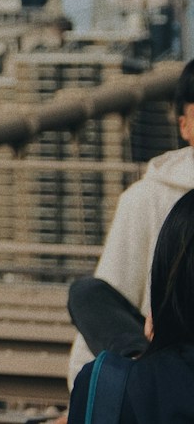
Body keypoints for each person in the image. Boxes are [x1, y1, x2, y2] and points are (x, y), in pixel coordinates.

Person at [68, 60, 194, 384]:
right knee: (87, 294)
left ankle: (139, 379)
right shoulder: (146, 199)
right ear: (184, 126)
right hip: (166, 366)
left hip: (164, 373)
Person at [67, 188, 194, 423]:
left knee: (85, 292)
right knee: (86, 292)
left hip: (148, 367)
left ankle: (139, 354)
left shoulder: (106, 385)